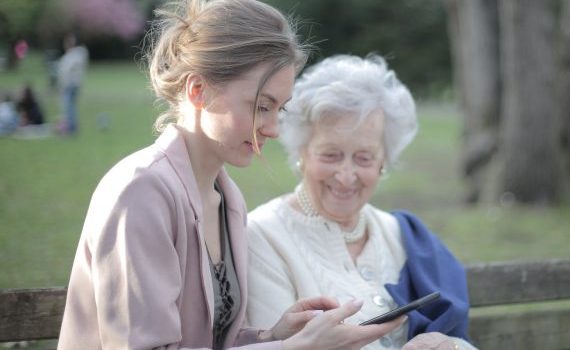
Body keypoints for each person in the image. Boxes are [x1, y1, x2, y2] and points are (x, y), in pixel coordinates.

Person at [58, 1, 403, 349]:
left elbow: (212, 340)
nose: (273, 129)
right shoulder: (140, 193)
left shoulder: (227, 198)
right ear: (198, 90)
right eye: (261, 107)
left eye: (279, 109)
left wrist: (275, 334)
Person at [245, 55, 477, 350]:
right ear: (301, 153)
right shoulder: (263, 236)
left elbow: (461, 339)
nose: (345, 176)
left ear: (383, 162)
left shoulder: (403, 234)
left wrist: (451, 346)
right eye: (330, 155)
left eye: (364, 158)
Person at [56, 32, 88, 134]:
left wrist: (62, 85)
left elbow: (65, 72)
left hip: (70, 85)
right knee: (71, 107)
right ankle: (71, 127)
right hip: (74, 85)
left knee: (69, 107)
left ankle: (71, 128)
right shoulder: (77, 55)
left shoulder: (73, 56)